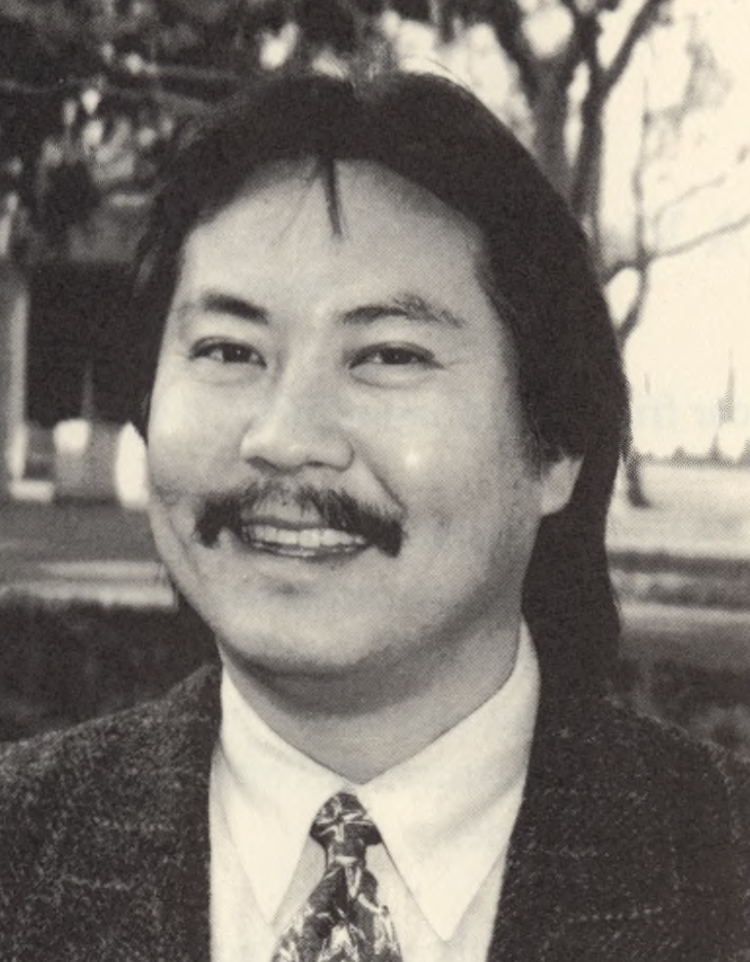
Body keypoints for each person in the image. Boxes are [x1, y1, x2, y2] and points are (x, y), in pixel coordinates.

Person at [1, 72, 748, 962]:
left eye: (389, 355)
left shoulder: (720, 867)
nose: (282, 437)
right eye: (230, 349)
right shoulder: (22, 850)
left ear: (556, 447)